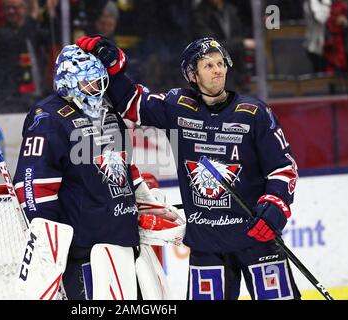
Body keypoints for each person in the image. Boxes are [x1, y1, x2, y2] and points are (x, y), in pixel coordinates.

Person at [76, 35, 301, 300]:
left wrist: (275, 206)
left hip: (256, 239)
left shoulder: (255, 113)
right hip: (208, 243)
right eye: (208, 65)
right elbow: (130, 102)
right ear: (192, 75)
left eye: (221, 63)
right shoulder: (178, 107)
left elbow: (283, 167)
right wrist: (113, 66)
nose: (218, 70)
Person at [12, 44, 184, 300]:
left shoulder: (109, 112)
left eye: (99, 81)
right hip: (85, 251)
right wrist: (51, 243)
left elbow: (124, 166)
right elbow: (33, 186)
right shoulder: (47, 118)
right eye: (89, 82)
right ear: (68, 83)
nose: (97, 89)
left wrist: (144, 200)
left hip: (126, 240)